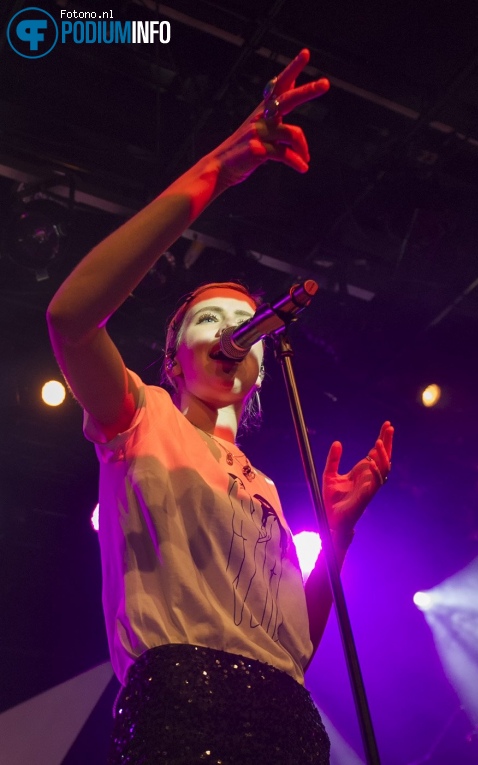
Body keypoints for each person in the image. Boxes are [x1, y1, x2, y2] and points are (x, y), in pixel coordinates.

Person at [47, 49, 393, 765]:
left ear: (263, 363)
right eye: (209, 319)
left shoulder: (265, 488)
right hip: (183, 709)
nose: (233, 328)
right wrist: (215, 172)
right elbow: (71, 318)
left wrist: (335, 539)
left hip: (288, 722)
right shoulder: (141, 416)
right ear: (173, 354)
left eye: (245, 318)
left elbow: (289, 642)